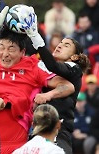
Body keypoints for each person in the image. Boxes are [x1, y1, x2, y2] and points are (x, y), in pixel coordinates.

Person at [0, 1, 75, 153]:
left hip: (16, 145)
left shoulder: (32, 66)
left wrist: (48, 95)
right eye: (1, 48)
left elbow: (68, 86)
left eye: (11, 49)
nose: (5, 53)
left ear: (23, 52)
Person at [17, 5, 90, 154]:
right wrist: (1, 31)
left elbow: (53, 66)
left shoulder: (73, 69)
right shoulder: (44, 66)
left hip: (59, 132)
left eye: (66, 45)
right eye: (60, 42)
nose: (59, 45)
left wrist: (35, 35)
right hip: (36, 130)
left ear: (75, 57)